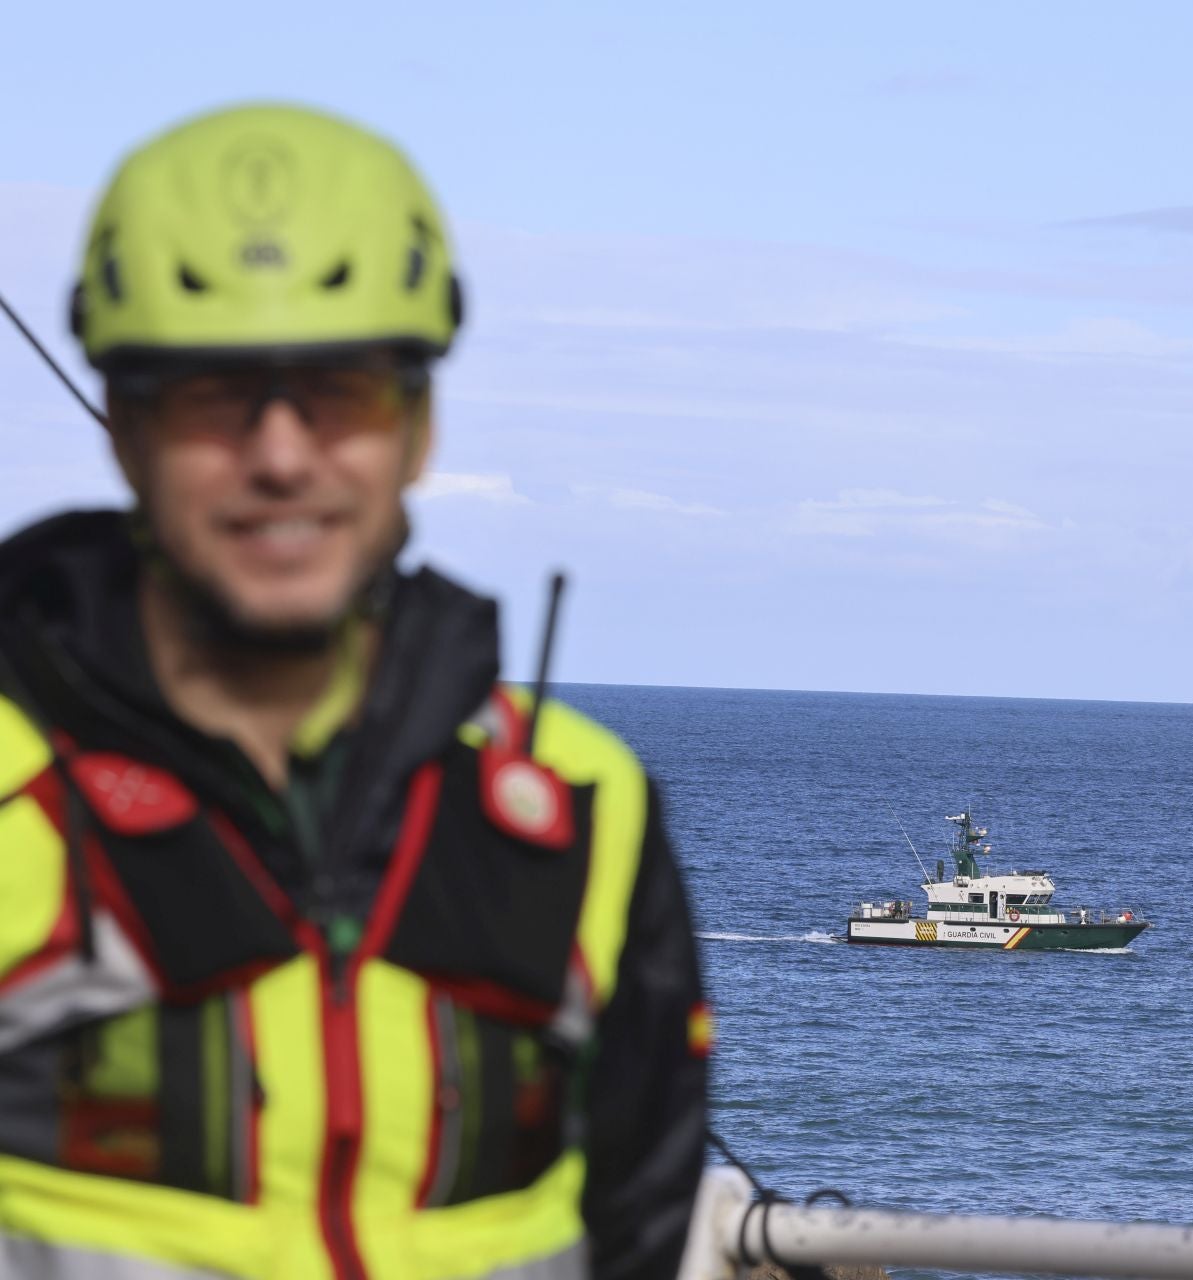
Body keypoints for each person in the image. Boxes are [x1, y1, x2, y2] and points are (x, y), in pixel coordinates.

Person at [0, 104, 708, 1278]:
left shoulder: (584, 812)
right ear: (124, 427)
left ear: (419, 429)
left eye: (345, 391)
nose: (281, 454)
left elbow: (639, 1222)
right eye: (210, 395)